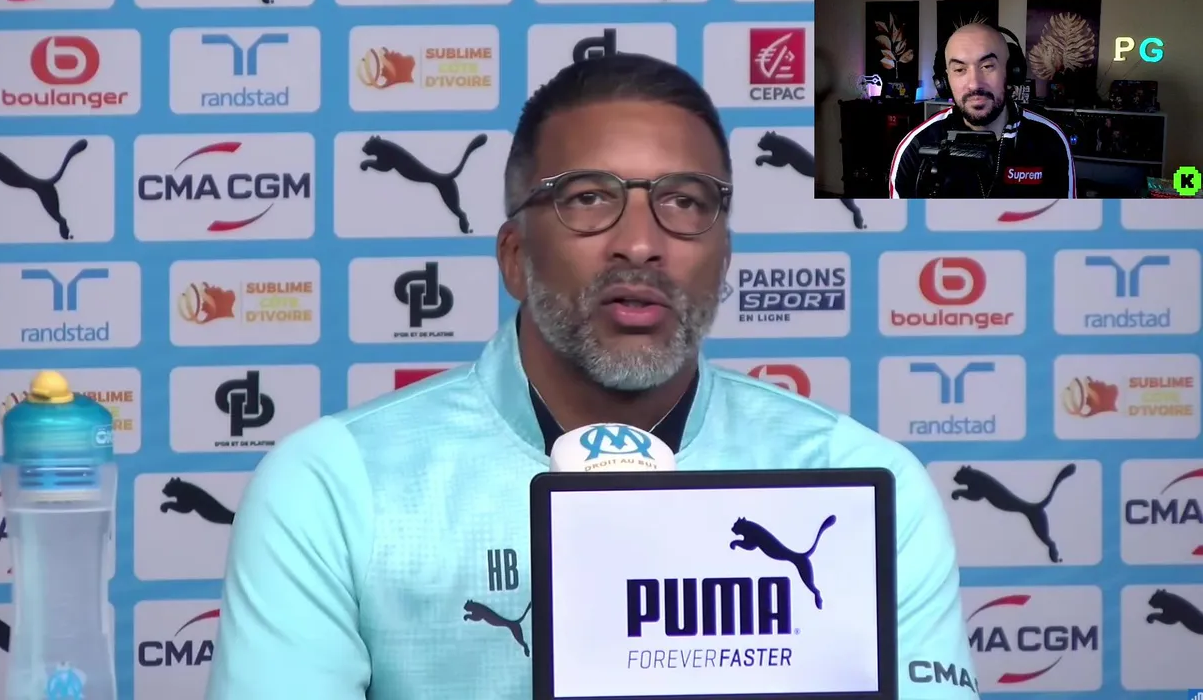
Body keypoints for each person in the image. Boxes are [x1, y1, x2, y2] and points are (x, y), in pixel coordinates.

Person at [206, 53, 977, 699]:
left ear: (724, 261)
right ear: (515, 257)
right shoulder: (336, 488)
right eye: (588, 199)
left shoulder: (863, 485)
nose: (639, 244)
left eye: (684, 202)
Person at [889, 23, 1076, 199]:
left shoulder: (1050, 139)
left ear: (1011, 72)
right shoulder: (915, 147)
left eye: (987, 66)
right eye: (959, 69)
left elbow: (1064, 221)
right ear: (944, 81)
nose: (974, 84)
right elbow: (906, 223)